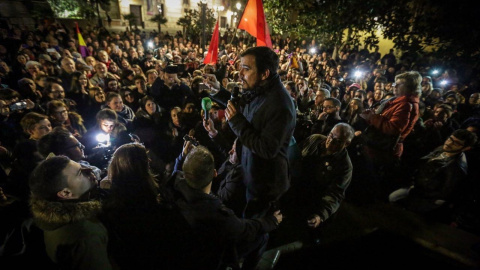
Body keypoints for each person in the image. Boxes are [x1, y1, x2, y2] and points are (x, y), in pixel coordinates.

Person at [168, 146, 282, 269]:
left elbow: (176, 173)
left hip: (187, 252)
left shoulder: (173, 187)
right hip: (212, 256)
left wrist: (182, 158)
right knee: (262, 237)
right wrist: (272, 221)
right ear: (215, 173)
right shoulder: (217, 214)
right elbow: (244, 230)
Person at [225, 46, 296, 218]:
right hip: (251, 174)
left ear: (265, 74)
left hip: (265, 186)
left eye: (246, 69)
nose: (240, 73)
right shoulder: (257, 91)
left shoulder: (280, 105)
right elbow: (253, 128)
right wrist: (239, 146)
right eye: (240, 67)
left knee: (256, 229)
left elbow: (267, 148)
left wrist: (236, 122)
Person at [100, 143, 190, 269]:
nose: (149, 160)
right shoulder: (153, 205)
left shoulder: (108, 203)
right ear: (140, 167)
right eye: (145, 158)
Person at [28, 155, 111, 269]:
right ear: (65, 193)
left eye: (81, 166)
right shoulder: (85, 235)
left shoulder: (50, 217)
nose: (89, 169)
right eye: (79, 173)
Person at [389, 129, 477, 220]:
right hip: (416, 186)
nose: (449, 143)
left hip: (425, 197)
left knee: (396, 203)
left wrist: (414, 191)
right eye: (450, 139)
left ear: (466, 148)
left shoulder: (456, 168)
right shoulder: (443, 149)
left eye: (456, 143)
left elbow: (443, 192)